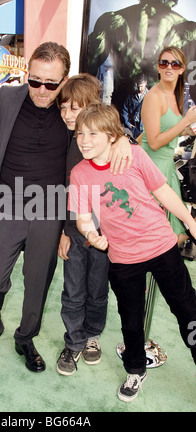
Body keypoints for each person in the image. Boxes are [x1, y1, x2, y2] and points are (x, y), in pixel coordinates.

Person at [0, 43, 133, 373]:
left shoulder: (73, 112)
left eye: (50, 84)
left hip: (50, 207)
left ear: (63, 80)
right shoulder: (6, 97)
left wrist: (123, 137)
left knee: (38, 283)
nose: (41, 90)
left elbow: (106, 125)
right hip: (6, 202)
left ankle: (25, 338)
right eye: (35, 80)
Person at [69, 102, 196, 402]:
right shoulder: (79, 173)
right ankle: (136, 369)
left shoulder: (135, 155)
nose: (84, 140)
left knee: (188, 310)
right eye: (79, 134)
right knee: (130, 319)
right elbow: (82, 216)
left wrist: (190, 221)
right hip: (123, 259)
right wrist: (91, 234)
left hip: (162, 247)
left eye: (92, 134)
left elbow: (163, 190)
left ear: (113, 135)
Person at [56, 74, 109, 376]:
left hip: (103, 233)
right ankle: (73, 341)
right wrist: (65, 230)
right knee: (73, 289)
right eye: (64, 108)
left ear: (92, 106)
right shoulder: (64, 140)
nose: (68, 115)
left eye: (75, 108)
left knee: (98, 289)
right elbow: (64, 190)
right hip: (75, 232)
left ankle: (92, 336)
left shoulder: (110, 141)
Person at [141, 46, 196, 245]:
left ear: (182, 69)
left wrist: (186, 131)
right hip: (152, 168)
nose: (169, 67)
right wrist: (185, 121)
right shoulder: (154, 96)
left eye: (175, 63)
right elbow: (154, 142)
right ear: (158, 67)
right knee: (155, 236)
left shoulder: (173, 95)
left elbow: (155, 132)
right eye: (164, 63)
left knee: (169, 236)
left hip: (165, 168)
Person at [121, 73, 148, 139]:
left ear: (145, 83)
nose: (139, 88)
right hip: (132, 127)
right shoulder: (130, 96)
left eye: (141, 86)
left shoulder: (151, 97)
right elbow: (124, 110)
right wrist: (128, 123)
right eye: (138, 86)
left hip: (144, 129)